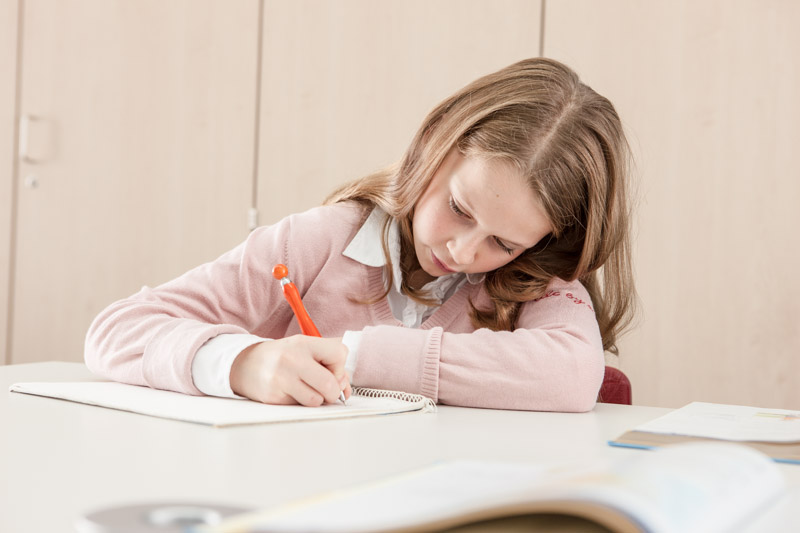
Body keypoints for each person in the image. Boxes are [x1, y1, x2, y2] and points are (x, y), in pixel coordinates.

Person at [85, 57, 636, 412]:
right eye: (460, 209)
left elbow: (571, 375)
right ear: (433, 150)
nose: (465, 253)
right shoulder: (320, 241)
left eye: (504, 243)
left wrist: (359, 354)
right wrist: (242, 361)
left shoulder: (530, 277)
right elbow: (116, 331)